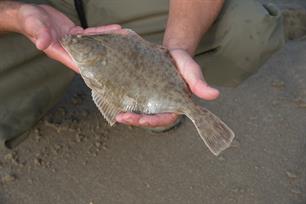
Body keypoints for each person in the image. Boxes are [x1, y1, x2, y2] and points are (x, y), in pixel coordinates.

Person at [0, 0, 285, 148]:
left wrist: (178, 46)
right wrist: (15, 15)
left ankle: (176, 101)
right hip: (21, 9)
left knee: (249, 30)